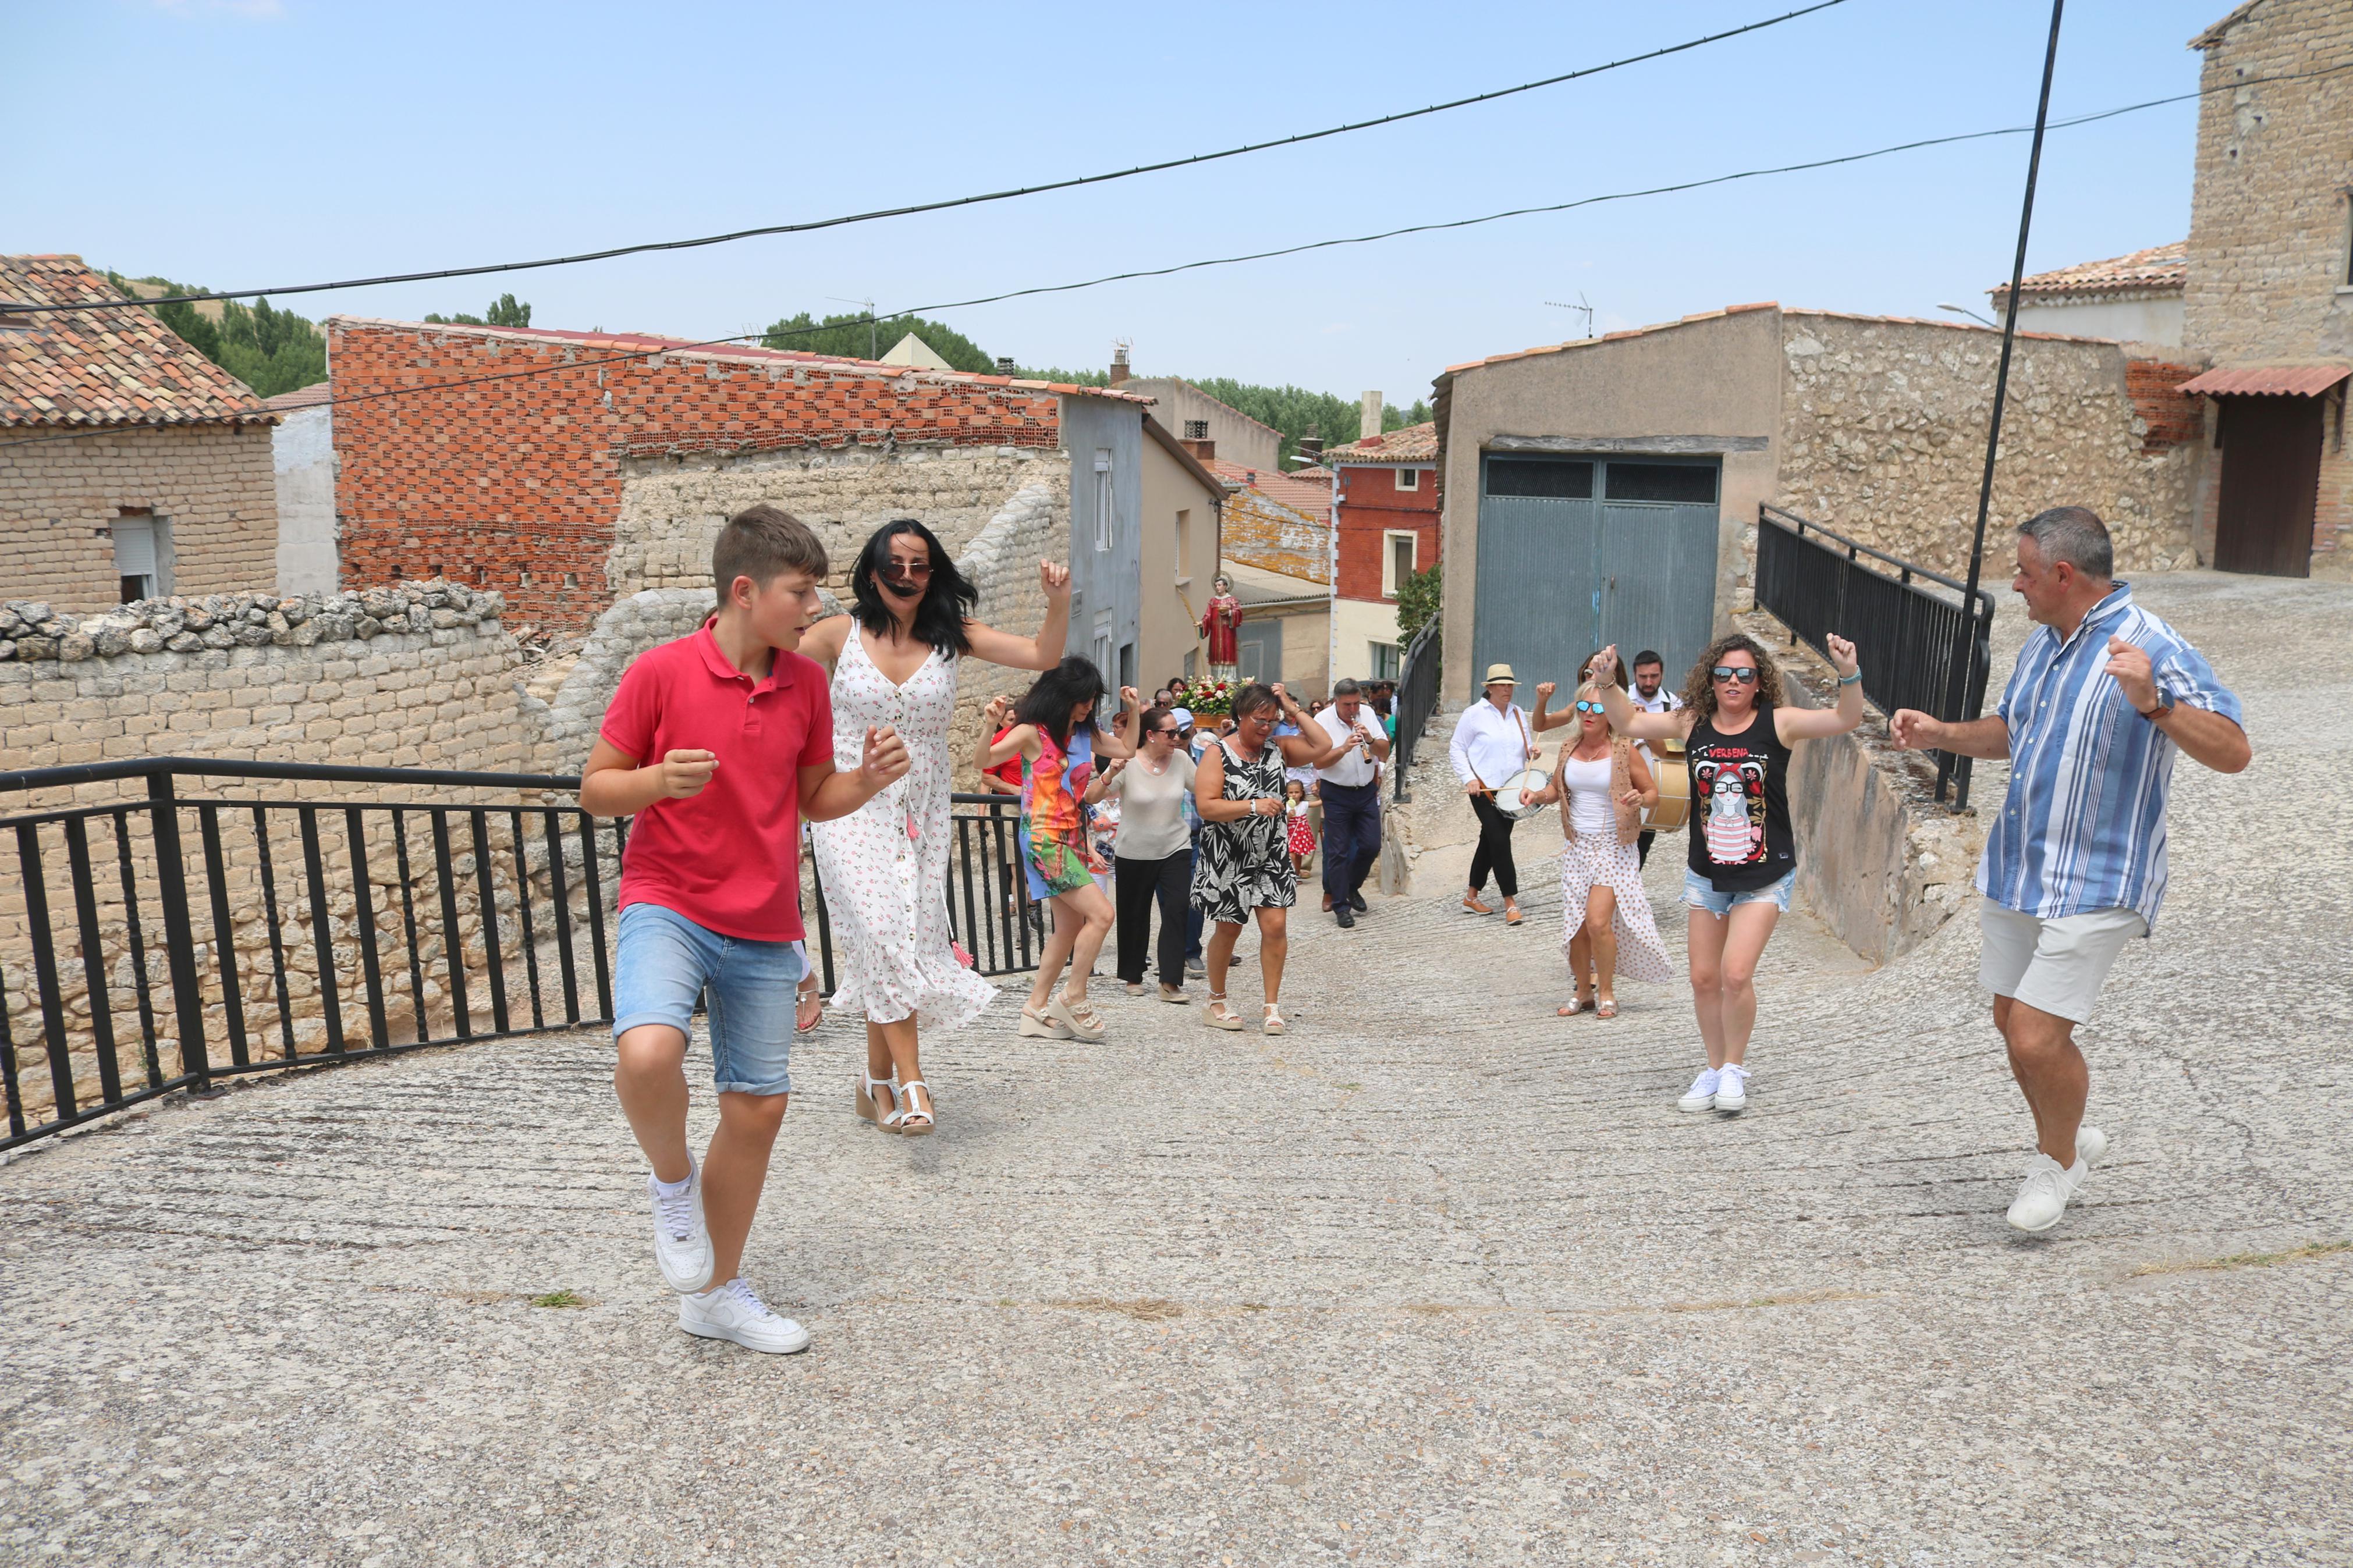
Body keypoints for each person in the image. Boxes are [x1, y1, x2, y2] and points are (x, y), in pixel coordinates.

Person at [581, 504, 909, 1355]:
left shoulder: (804, 681)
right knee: (647, 1052)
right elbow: (595, 788)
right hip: (668, 900)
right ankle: (670, 1183)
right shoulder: (658, 672)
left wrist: (864, 782)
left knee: (756, 1107)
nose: (814, 607)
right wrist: (654, 780)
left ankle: (716, 1294)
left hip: (764, 919)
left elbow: (810, 799)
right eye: (801, 591)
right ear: (744, 590)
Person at [1890, 506, 2248, 1233]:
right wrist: (1939, 733)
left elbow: (2233, 749)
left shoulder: (2150, 644)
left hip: (2099, 878)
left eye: (2023, 572)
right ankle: (2069, 1129)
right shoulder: (2042, 646)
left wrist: (2154, 702)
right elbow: (2012, 732)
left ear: (2061, 574)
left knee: (2033, 1036)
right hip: (2020, 868)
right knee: (2007, 1018)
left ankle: (2055, 1167)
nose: (2013, 585)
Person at [799, 520, 1071, 1139]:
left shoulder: (953, 637)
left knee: (892, 940)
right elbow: (760, 658)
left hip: (918, 811)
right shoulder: (836, 634)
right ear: (871, 571)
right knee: (883, 927)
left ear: (932, 574)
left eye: (919, 565)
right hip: (848, 802)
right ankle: (914, 1081)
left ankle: (874, 1086)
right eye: (893, 564)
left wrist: (1057, 604)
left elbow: (1042, 656)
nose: (905, 575)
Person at [1593, 631, 1862, 1116]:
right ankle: (1714, 1068)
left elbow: (1846, 717)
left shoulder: (1778, 723)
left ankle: (1735, 1067)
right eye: (1723, 674)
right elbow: (1629, 719)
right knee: (1702, 977)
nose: (1733, 681)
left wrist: (1848, 673)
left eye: (1744, 674)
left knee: (1735, 974)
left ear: (1759, 681)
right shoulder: (1690, 721)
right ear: (1710, 681)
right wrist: (1608, 681)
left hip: (1764, 872)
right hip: (1706, 873)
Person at [977, 660, 1140, 1043]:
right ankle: (1073, 996)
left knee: (1068, 926)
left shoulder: (1086, 733)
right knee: (1101, 914)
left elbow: (1129, 748)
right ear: (1059, 696)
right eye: (1080, 699)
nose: (1086, 706)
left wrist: (1134, 710)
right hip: (1043, 839)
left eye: (1090, 699)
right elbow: (982, 762)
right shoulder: (1032, 733)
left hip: (1068, 837)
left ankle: (1034, 1008)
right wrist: (989, 724)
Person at [1193, 682, 1351, 1033]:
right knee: (1230, 929)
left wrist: (1290, 706)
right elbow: (1207, 807)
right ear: (1239, 716)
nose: (1266, 727)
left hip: (1271, 852)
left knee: (1276, 926)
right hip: (1229, 854)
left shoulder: (1278, 749)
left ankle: (1271, 1006)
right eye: (1259, 720)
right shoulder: (1217, 753)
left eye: (1272, 720)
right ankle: (1216, 1000)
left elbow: (1322, 745)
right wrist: (1253, 805)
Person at [1528, 682, 1673, 1018]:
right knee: (1576, 925)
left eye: (1598, 709)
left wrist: (1640, 799)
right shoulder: (1567, 748)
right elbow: (1555, 790)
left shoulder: (1624, 750)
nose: (1589, 714)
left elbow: (1652, 793)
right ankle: (1583, 991)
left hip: (1613, 847)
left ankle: (1606, 991)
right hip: (1577, 846)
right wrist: (1537, 797)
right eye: (1584, 707)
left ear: (1611, 714)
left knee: (1597, 922)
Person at [1100, 705, 1196, 1002]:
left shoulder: (1181, 759)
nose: (1177, 738)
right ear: (1151, 735)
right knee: (1134, 915)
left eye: (1179, 732)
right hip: (1134, 850)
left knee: (1179, 908)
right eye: (1170, 732)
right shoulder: (1127, 762)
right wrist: (1109, 772)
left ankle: (1170, 981)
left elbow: (1206, 787)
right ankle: (1133, 974)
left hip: (1175, 846)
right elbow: (1093, 796)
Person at [1449, 663, 1542, 926]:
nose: (1507, 689)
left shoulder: (1517, 715)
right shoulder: (1473, 714)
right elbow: (1456, 749)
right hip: (1484, 789)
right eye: (1501, 685)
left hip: (1512, 790)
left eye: (1510, 685)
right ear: (1489, 688)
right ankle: (1510, 902)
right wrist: (1468, 779)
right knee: (1500, 842)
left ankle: (1471, 897)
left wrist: (1531, 753)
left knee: (1489, 842)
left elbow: (1523, 748)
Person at [1312, 677, 1392, 928]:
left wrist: (1369, 739)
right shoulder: (1321, 721)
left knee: (1371, 845)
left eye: (1357, 703)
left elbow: (1385, 752)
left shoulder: (1367, 713)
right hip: (1336, 793)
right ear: (1336, 701)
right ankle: (1341, 906)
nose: (1353, 710)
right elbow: (1319, 762)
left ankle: (1351, 887)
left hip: (1366, 790)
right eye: (1348, 705)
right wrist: (1344, 749)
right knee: (1338, 850)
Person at [1198, 576, 1243, 682]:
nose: (1217, 588)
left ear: (1225, 586)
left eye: (1219, 585)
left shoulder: (1232, 600)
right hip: (1215, 633)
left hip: (1228, 632)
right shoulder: (1213, 601)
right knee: (1216, 653)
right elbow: (1208, 616)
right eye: (1216, 586)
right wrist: (1201, 623)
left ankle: (1229, 677)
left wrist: (1230, 613)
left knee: (1227, 652)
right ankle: (1217, 677)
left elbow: (1239, 613)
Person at [1283, 779, 1316, 873]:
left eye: (1297, 792)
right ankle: (1292, 874)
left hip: (1301, 834)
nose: (1294, 795)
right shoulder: (1286, 806)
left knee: (1299, 856)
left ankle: (1297, 874)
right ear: (1287, 794)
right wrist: (1289, 815)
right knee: (1292, 854)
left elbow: (1317, 803)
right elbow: (1284, 821)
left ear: (1302, 793)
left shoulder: (1304, 805)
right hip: (1290, 834)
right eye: (1291, 793)